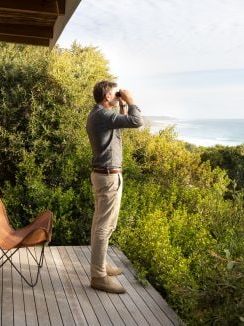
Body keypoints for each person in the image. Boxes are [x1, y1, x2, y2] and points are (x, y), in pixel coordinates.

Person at [86, 80, 143, 293]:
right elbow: (136, 121)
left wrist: (121, 105)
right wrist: (130, 100)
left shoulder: (100, 115)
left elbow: (121, 124)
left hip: (104, 175)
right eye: (114, 93)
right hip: (108, 177)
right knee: (104, 226)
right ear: (107, 96)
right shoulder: (102, 115)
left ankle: (100, 266)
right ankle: (98, 276)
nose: (117, 95)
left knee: (101, 224)